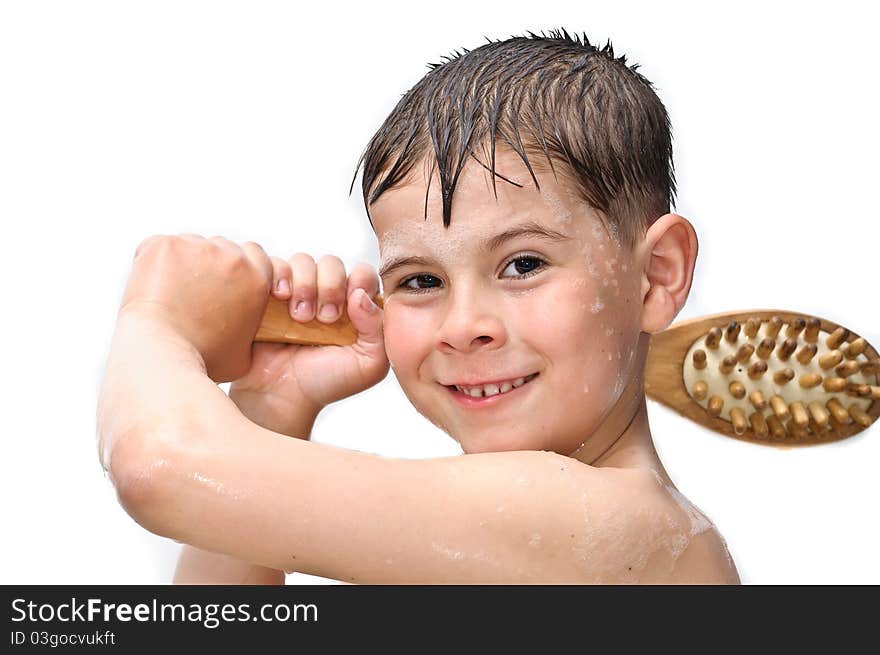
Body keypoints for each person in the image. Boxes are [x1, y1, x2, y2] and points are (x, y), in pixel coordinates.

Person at [97, 29, 739, 584]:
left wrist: (155, 318)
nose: (463, 329)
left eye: (523, 265)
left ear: (656, 276)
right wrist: (273, 402)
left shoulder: (630, 533)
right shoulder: (492, 542)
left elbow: (159, 468)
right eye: (421, 281)